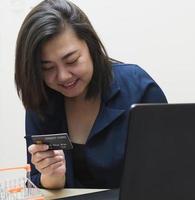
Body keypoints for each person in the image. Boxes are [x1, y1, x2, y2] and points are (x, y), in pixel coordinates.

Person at [14, 0, 167, 189]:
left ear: (90, 45)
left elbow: (167, 171)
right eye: (47, 68)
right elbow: (37, 182)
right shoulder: (41, 99)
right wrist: (52, 177)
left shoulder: (137, 87)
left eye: (71, 60)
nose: (63, 76)